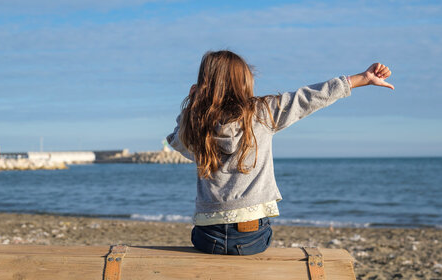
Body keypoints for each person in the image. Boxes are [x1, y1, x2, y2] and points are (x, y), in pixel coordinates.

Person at [166, 50, 393, 255]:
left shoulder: (197, 124)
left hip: (207, 237)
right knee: (265, 237)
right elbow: (308, 98)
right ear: (243, 81)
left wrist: (191, 107)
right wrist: (361, 79)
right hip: (251, 236)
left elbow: (177, 141)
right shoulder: (262, 113)